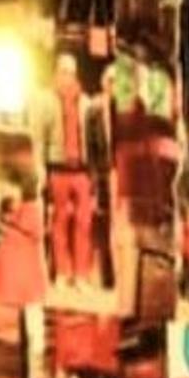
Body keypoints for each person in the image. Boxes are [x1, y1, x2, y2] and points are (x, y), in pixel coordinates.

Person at [38, 50, 110, 293]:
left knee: (84, 223)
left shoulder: (86, 103)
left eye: (71, 72)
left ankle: (81, 274)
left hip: (82, 170)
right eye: (63, 72)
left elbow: (96, 141)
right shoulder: (46, 101)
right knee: (59, 221)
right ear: (56, 73)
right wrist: (40, 168)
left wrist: (96, 173)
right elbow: (39, 139)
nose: (67, 77)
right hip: (58, 168)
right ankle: (62, 272)